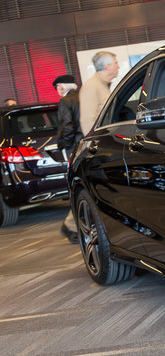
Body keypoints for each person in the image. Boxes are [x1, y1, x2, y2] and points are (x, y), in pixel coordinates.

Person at [52, 75, 81, 244]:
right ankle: (71, 225)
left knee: (76, 185)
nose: (58, 91)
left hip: (74, 148)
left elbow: (68, 126)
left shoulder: (66, 101)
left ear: (62, 87)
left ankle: (70, 225)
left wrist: (65, 145)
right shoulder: (83, 97)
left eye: (58, 87)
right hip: (87, 144)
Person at [79, 51, 119, 135]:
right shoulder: (91, 86)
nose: (118, 67)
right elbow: (87, 120)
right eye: (115, 63)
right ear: (107, 66)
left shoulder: (102, 84)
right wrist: (93, 142)